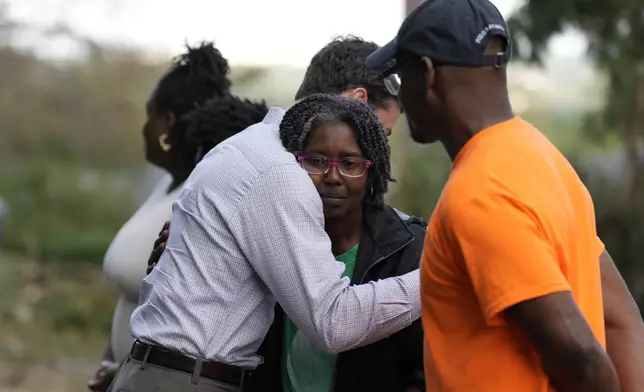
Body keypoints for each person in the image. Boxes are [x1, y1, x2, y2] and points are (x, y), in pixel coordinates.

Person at [365, 0, 644, 391]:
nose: (400, 97)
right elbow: (620, 318)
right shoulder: (543, 158)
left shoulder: (479, 194)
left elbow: (581, 357)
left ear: (428, 75)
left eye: (400, 77)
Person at [108, 92, 420, 391]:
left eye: (351, 162)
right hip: (187, 379)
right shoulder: (280, 175)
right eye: (317, 160)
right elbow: (333, 322)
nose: (332, 176)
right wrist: (437, 277)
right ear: (356, 98)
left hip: (163, 372)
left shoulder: (245, 147)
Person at [89, 42, 268, 392]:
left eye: (149, 114)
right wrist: (113, 363)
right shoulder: (165, 188)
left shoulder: (200, 203)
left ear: (166, 124)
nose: (144, 128)